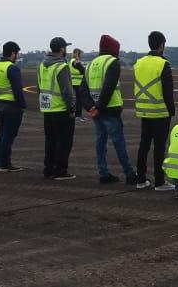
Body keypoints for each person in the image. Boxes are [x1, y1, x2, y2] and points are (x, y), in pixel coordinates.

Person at [83, 34, 139, 184]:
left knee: (100, 142)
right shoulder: (113, 62)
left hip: (95, 110)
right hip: (110, 109)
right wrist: (99, 107)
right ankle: (129, 173)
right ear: (113, 49)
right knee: (118, 142)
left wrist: (90, 107)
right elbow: (109, 87)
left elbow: (82, 89)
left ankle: (103, 173)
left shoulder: (90, 64)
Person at [133, 31, 176, 191]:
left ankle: (141, 179)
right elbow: (168, 91)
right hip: (160, 112)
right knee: (159, 147)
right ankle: (159, 181)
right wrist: (171, 110)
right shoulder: (163, 64)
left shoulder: (139, 63)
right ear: (162, 45)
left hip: (144, 110)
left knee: (143, 145)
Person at [39, 37, 77, 180]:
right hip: (61, 109)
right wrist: (72, 108)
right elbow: (67, 91)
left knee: (50, 141)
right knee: (64, 141)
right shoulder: (62, 66)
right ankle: (60, 170)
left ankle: (48, 169)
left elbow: (39, 87)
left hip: (47, 109)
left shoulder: (42, 65)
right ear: (62, 49)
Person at [0, 41, 27, 172]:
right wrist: (22, 105)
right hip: (12, 106)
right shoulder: (12, 68)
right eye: (17, 54)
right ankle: (5, 163)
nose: (17, 56)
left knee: (2, 135)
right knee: (8, 136)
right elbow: (18, 90)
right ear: (12, 53)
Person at [70, 48, 87, 119]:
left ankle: (79, 115)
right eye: (80, 54)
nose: (81, 56)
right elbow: (83, 70)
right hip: (78, 83)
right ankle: (78, 115)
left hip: (75, 82)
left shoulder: (72, 61)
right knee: (79, 99)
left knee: (79, 99)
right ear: (77, 54)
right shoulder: (75, 62)